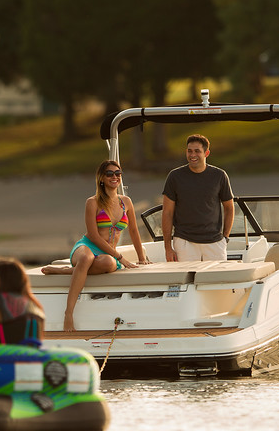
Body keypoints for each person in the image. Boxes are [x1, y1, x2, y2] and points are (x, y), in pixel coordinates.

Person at [41, 160, 148, 331]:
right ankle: (68, 313)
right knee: (86, 257)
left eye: (118, 173)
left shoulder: (125, 202)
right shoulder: (93, 202)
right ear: (102, 179)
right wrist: (121, 257)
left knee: (109, 263)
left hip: (107, 254)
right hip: (88, 245)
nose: (115, 177)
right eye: (110, 174)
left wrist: (142, 258)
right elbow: (93, 236)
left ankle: (67, 270)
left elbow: (134, 231)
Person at [162, 134, 234, 262]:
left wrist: (225, 238)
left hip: (215, 243)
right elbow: (167, 213)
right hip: (184, 242)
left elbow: (229, 208)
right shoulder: (174, 177)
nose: (192, 155)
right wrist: (168, 248)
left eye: (197, 151)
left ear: (206, 153)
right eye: (189, 151)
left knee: (217, 281)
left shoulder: (220, 176)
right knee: (185, 281)